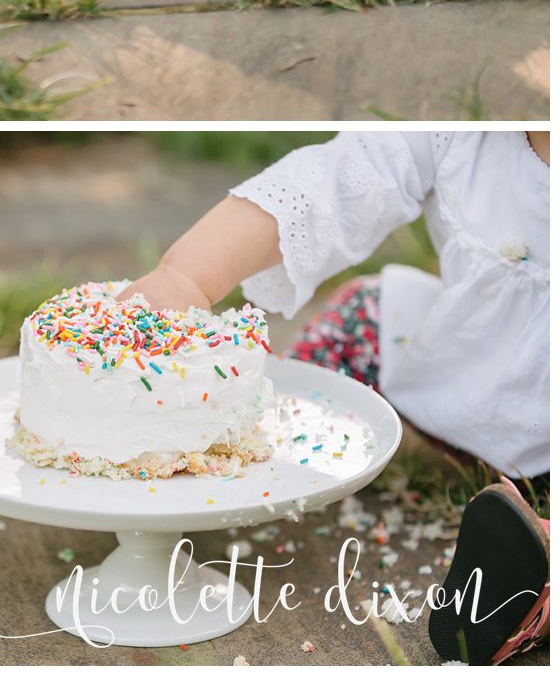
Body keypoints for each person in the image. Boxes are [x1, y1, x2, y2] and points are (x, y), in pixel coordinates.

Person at [130, 130, 550, 666]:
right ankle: (254, 438)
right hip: (453, 364)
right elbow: (328, 185)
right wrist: (185, 275)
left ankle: (527, 575)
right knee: (363, 310)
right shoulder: (464, 128)